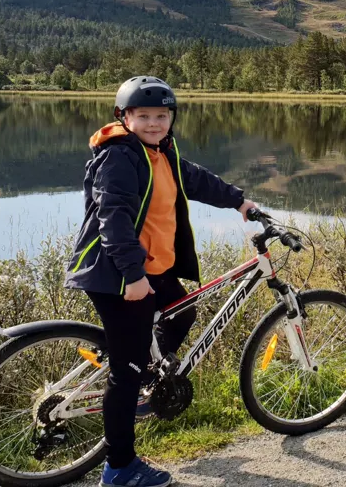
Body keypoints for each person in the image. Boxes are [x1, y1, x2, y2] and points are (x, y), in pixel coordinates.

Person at [65, 76, 258, 487]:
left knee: (182, 310)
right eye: (143, 115)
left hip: (152, 270)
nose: (153, 122)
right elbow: (112, 217)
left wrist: (238, 200)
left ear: (171, 119)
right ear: (125, 117)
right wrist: (133, 277)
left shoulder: (160, 151)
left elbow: (194, 178)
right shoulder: (119, 157)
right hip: (119, 276)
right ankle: (119, 468)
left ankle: (149, 378)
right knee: (125, 370)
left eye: (161, 115)